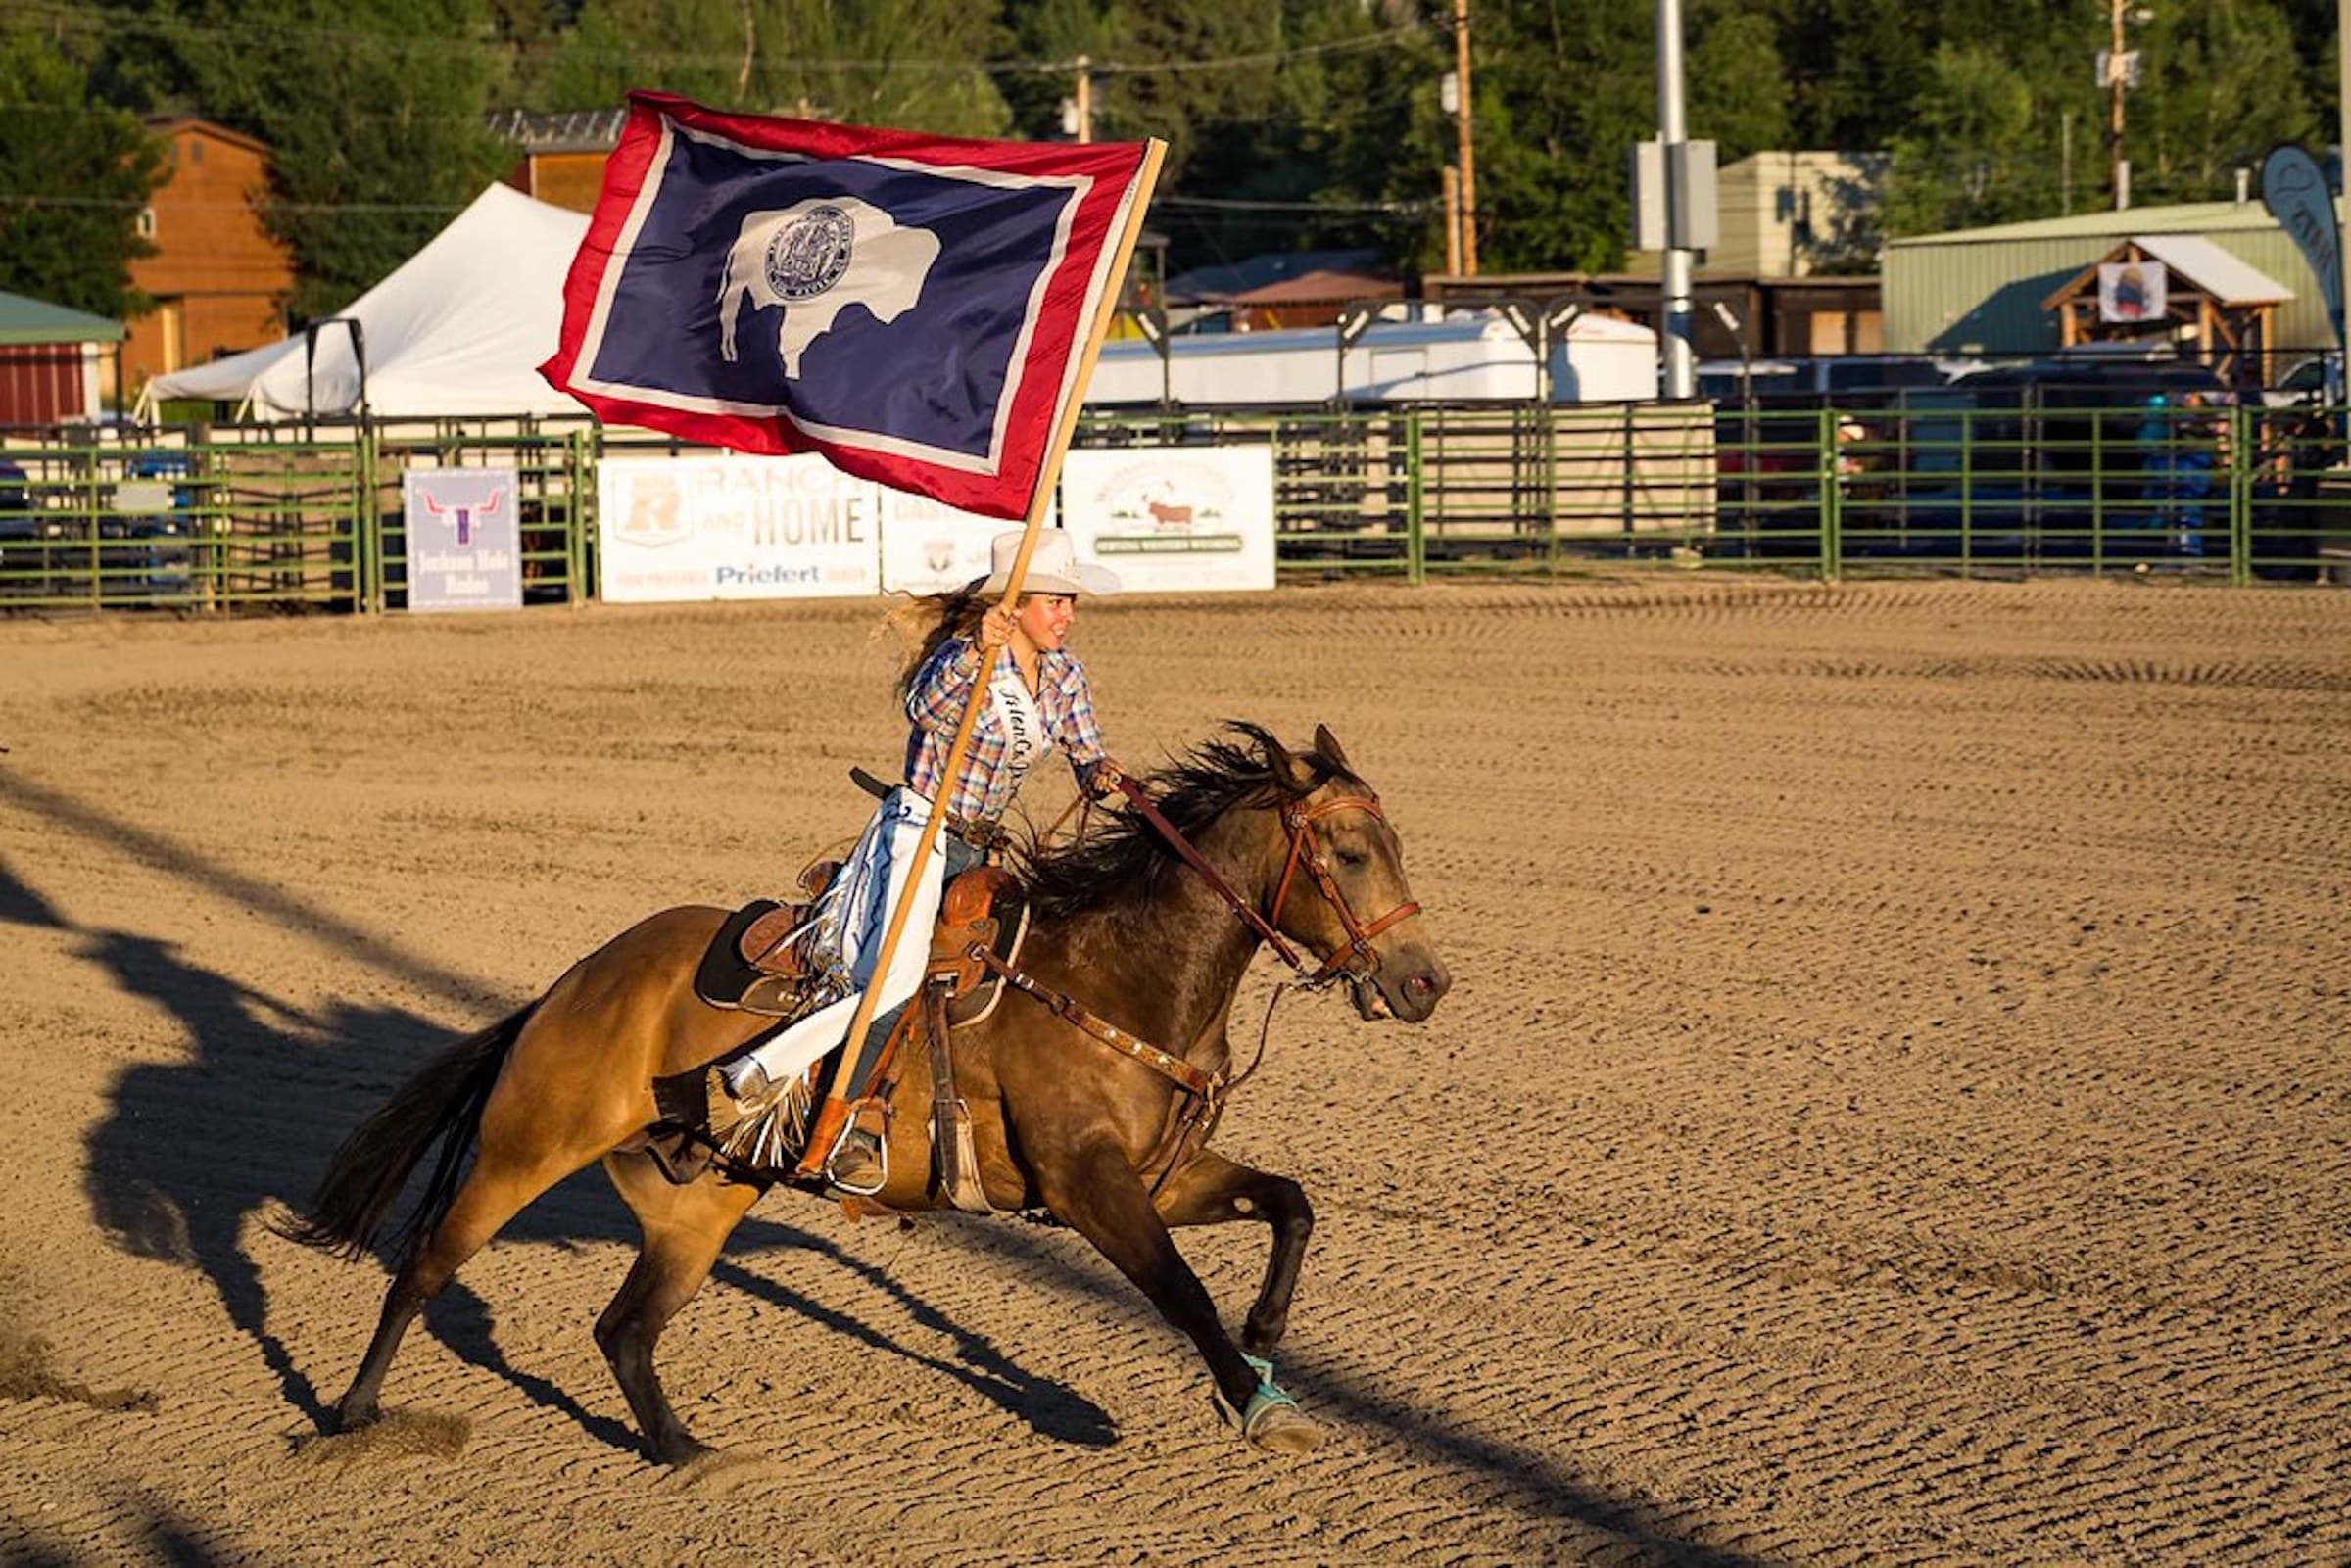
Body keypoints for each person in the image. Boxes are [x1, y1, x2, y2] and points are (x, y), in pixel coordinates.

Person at [716, 527, 1126, 1190]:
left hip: (985, 849)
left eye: (1071, 602)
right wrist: (974, 650)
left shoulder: (1065, 675)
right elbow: (924, 707)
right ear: (1014, 606)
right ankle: (832, 1114)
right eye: (1055, 602)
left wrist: (1101, 770)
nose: (1067, 615)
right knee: (895, 977)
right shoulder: (968, 660)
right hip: (921, 831)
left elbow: (1084, 747)